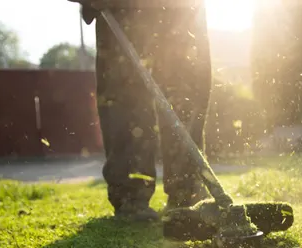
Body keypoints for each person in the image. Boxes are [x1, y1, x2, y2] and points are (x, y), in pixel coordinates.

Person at [70, 0, 211, 221]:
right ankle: (131, 197)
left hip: (182, 10)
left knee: (186, 99)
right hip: (121, 9)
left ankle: (188, 193)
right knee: (125, 101)